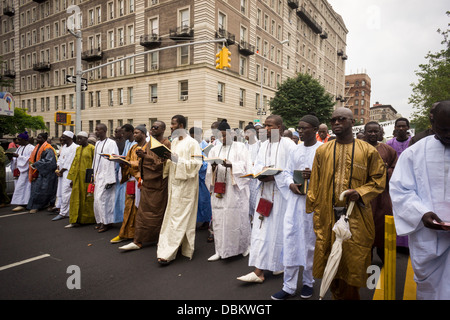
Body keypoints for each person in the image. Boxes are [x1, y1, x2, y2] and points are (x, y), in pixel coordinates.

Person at [306, 107, 386, 300]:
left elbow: (378, 179)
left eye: (341, 119)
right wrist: (314, 209)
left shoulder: (367, 150)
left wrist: (359, 192)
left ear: (352, 122)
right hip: (327, 216)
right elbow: (315, 183)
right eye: (333, 120)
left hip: (356, 217)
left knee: (352, 261)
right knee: (330, 260)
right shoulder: (323, 150)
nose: (336, 123)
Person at [389, 100, 450, 300]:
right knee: (430, 290)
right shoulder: (415, 152)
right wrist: (420, 213)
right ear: (432, 125)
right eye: (443, 129)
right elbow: (400, 189)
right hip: (429, 237)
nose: (449, 135)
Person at [237, 115, 296, 283]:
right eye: (265, 126)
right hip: (264, 193)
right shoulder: (264, 145)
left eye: (270, 126)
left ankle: (276, 265)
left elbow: (292, 171)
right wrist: (259, 173)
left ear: (280, 128)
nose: (266, 129)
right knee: (262, 231)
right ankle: (260, 270)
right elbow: (257, 164)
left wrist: (275, 177)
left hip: (281, 196)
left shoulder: (289, 145)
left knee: (278, 231)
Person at [271, 115, 322, 300]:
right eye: (298, 128)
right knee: (291, 242)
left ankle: (309, 283)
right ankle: (288, 286)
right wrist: (291, 183)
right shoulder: (295, 150)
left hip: (312, 205)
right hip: (294, 204)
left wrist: (314, 174)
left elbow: (329, 177)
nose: (300, 131)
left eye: (304, 128)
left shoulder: (322, 150)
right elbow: (286, 172)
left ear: (315, 130)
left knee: (310, 244)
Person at [156, 115, 203, 265]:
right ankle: (177, 246)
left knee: (178, 218)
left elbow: (197, 164)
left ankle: (168, 252)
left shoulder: (193, 143)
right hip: (173, 184)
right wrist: (166, 158)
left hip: (186, 186)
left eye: (173, 124)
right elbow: (172, 161)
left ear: (181, 125)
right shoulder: (174, 142)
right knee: (172, 216)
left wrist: (175, 159)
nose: (171, 126)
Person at [119, 121, 171, 251]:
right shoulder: (149, 144)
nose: (153, 129)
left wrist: (145, 156)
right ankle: (138, 241)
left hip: (158, 185)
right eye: (152, 127)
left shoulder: (165, 143)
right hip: (146, 183)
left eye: (156, 127)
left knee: (157, 214)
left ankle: (159, 239)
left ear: (163, 129)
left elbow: (162, 164)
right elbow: (144, 162)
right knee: (142, 214)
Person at [205, 120, 252, 261]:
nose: (222, 139)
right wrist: (212, 166)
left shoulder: (241, 147)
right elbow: (208, 171)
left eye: (225, 136)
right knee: (219, 219)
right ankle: (220, 250)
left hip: (235, 190)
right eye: (220, 136)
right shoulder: (214, 149)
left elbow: (247, 168)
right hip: (220, 188)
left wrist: (231, 165)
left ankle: (244, 247)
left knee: (238, 218)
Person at [363, 122, 397, 262]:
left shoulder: (388, 150)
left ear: (380, 133)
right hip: (364, 196)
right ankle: (366, 261)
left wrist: (385, 171)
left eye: (375, 131)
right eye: (369, 131)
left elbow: (396, 170)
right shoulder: (358, 148)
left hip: (382, 197)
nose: (372, 134)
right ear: (365, 133)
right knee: (365, 230)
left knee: (383, 229)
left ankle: (385, 260)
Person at [111, 125, 147, 244]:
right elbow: (128, 160)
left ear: (143, 133)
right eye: (134, 133)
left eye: (137, 133)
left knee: (141, 209)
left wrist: (131, 163)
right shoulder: (133, 147)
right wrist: (123, 163)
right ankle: (125, 233)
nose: (135, 135)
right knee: (129, 207)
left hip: (143, 182)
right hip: (132, 181)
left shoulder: (149, 147)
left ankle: (141, 235)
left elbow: (148, 163)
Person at [386, 117, 411, 249]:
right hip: (393, 183)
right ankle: (397, 242)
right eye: (399, 126)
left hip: (410, 183)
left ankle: (407, 242)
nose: (401, 128)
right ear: (395, 128)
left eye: (403, 126)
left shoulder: (413, 143)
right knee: (394, 211)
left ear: (407, 128)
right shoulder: (389, 144)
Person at [65, 132, 96, 228]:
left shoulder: (92, 148)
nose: (78, 141)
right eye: (77, 139)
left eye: (80, 138)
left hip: (88, 179)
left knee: (88, 198)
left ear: (86, 139)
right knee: (75, 199)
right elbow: (74, 163)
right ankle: (75, 220)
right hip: (78, 179)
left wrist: (93, 179)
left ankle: (88, 220)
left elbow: (95, 164)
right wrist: (72, 178)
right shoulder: (78, 149)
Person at [93, 123, 119, 233]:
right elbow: (95, 160)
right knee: (97, 200)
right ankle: (100, 221)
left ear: (104, 130)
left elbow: (114, 160)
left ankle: (106, 222)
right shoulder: (98, 143)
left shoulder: (111, 143)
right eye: (95, 130)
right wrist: (92, 174)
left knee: (104, 200)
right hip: (98, 175)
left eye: (98, 130)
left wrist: (111, 179)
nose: (96, 132)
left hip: (107, 176)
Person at [27, 132, 58, 214]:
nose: (37, 139)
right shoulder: (37, 147)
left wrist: (36, 164)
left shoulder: (48, 148)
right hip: (38, 171)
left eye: (39, 138)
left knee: (43, 190)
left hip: (46, 173)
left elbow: (49, 161)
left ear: (44, 139)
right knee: (37, 189)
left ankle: (38, 206)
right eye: (37, 137)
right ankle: (35, 205)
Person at [189, 126, 212, 234]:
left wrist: (200, 164)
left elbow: (208, 162)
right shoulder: (191, 145)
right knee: (195, 200)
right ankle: (198, 220)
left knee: (204, 200)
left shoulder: (206, 146)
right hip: (193, 176)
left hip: (202, 177)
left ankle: (207, 221)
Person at [52, 131, 78, 221]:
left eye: (64, 137)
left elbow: (70, 162)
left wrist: (62, 171)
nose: (62, 139)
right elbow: (60, 159)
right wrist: (58, 169)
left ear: (70, 138)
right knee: (62, 193)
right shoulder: (64, 147)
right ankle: (64, 211)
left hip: (68, 173)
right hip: (61, 174)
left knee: (66, 193)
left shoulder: (75, 147)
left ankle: (63, 213)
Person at [113, 124, 136, 224]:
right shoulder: (127, 142)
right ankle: (122, 219)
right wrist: (116, 157)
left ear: (130, 132)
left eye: (124, 132)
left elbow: (132, 159)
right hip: (124, 173)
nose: (122, 135)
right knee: (122, 198)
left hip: (132, 174)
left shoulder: (136, 143)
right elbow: (125, 156)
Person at [9, 132, 34, 212]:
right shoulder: (19, 148)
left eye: (19, 140)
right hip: (21, 171)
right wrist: (12, 158)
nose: (18, 141)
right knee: (20, 187)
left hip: (27, 172)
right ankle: (21, 203)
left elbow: (30, 159)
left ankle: (25, 203)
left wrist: (18, 156)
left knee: (26, 188)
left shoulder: (31, 148)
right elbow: (17, 159)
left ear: (24, 139)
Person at [244, 123, 261, 224]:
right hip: (246, 178)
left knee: (255, 202)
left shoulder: (260, 145)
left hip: (256, 178)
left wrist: (254, 164)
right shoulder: (243, 146)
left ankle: (256, 222)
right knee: (246, 201)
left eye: (248, 132)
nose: (246, 134)